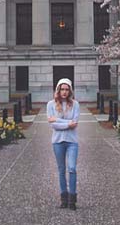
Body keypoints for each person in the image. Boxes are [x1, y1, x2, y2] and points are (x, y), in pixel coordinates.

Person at [47, 77, 80, 210]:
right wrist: (66, 123)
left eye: (67, 89)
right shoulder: (50, 105)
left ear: (70, 91)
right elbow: (53, 125)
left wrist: (56, 120)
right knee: (61, 170)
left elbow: (74, 124)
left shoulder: (75, 104)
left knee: (72, 168)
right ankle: (64, 198)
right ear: (58, 90)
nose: (64, 92)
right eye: (62, 89)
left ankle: (72, 199)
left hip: (72, 141)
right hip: (57, 141)